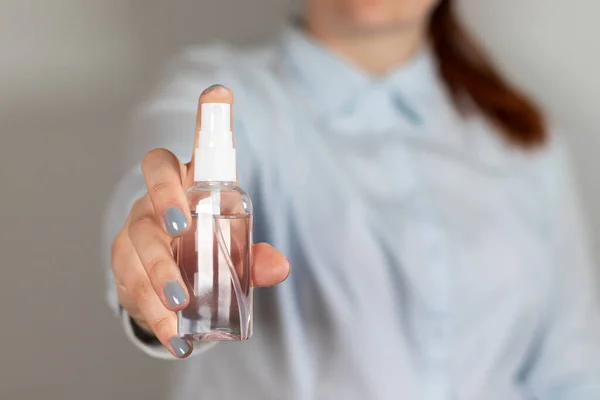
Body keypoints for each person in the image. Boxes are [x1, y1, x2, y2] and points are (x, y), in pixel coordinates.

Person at [104, 0, 600, 398]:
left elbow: (572, 371)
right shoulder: (218, 97)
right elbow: (151, 201)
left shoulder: (523, 140)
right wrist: (152, 277)